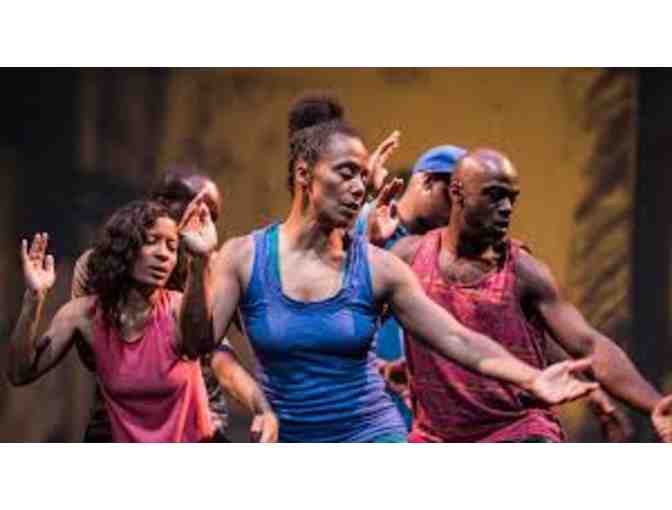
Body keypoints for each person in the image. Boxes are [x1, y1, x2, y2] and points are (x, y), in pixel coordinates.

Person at [183, 95, 597, 443]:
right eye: (346, 173)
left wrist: (531, 379)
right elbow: (196, 343)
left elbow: (455, 337)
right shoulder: (244, 256)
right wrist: (198, 261)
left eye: (363, 177)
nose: (358, 188)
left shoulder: (379, 268)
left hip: (373, 436)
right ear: (304, 174)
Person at [390, 147, 672, 442]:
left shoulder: (523, 271)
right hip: (436, 436)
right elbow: (362, 318)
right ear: (457, 191)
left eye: (511, 198)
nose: (506, 208)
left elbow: (588, 345)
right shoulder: (409, 256)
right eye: (495, 195)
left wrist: (654, 404)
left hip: (517, 430)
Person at [71, 169, 277, 443]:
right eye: (195, 203)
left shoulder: (213, 266)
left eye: (212, 213)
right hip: (120, 408)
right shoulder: (101, 263)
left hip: (196, 412)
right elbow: (91, 349)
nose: (201, 215)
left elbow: (216, 350)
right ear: (160, 204)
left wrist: (261, 406)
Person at [7, 199, 222, 441]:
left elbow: (197, 345)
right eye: (151, 241)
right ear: (124, 248)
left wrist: (201, 258)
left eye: (171, 247)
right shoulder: (83, 315)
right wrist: (34, 297)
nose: (163, 254)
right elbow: (19, 373)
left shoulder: (177, 308)